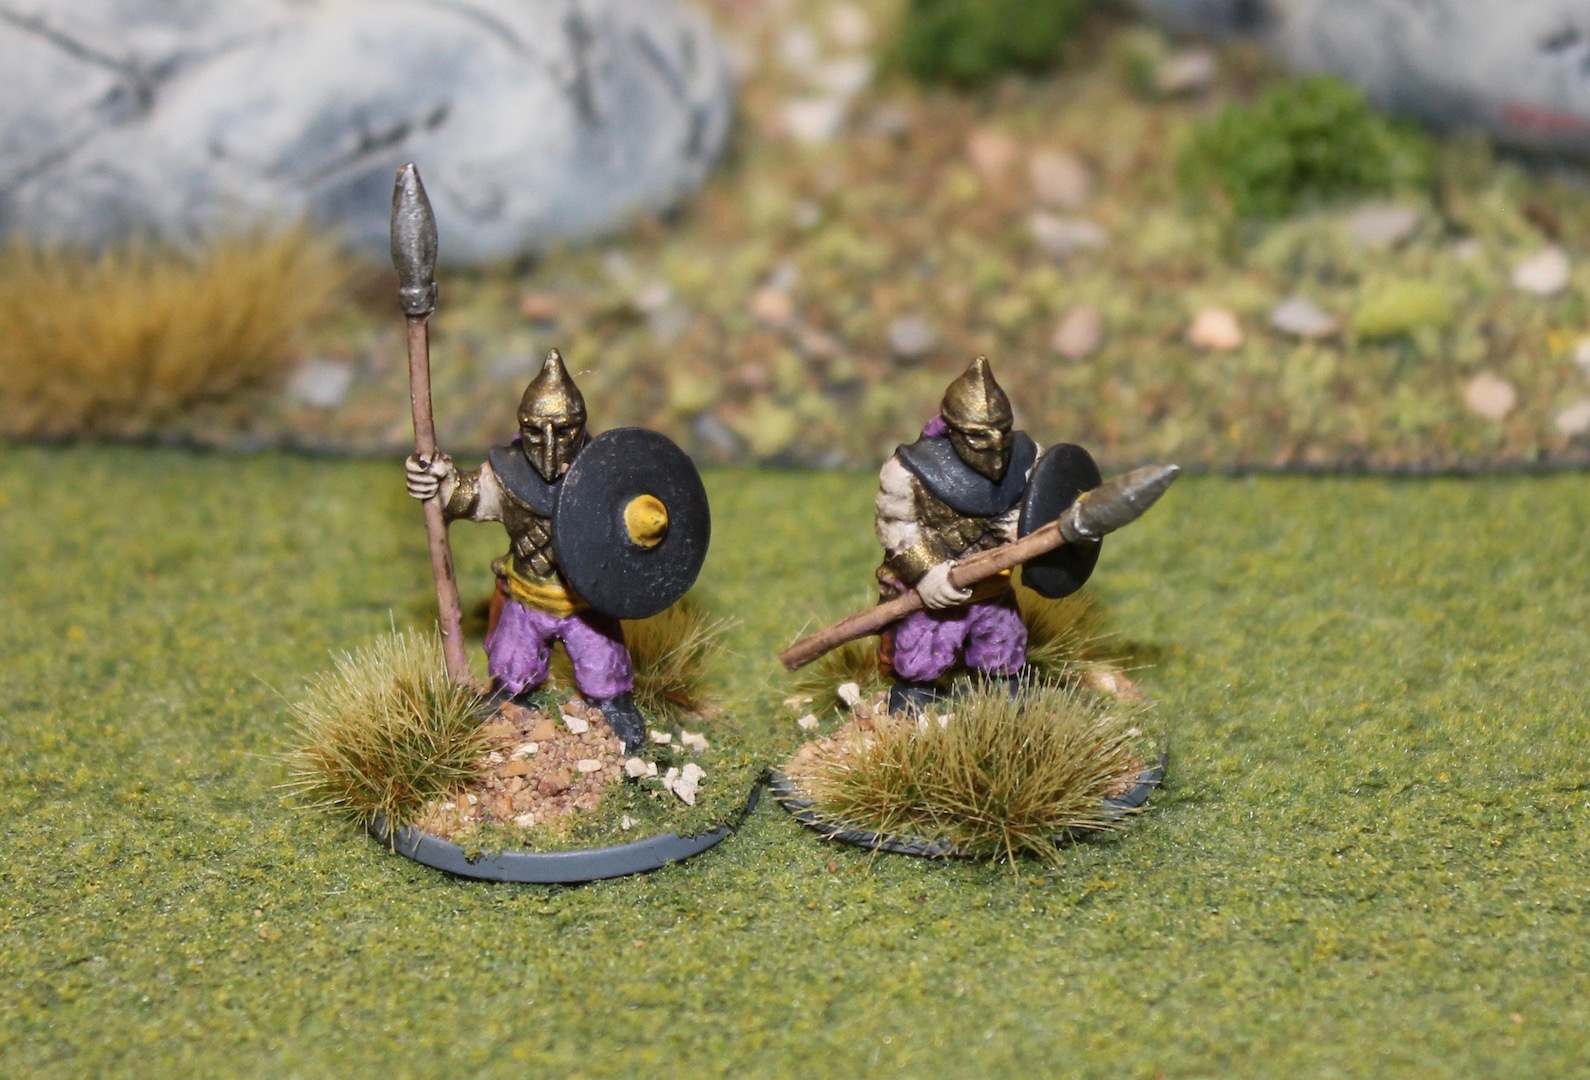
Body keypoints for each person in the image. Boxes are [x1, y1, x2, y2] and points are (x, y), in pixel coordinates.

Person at [404, 349, 647, 750]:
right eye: (536, 432)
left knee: (603, 665)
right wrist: (437, 480)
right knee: (511, 662)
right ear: (523, 428)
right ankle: (506, 697)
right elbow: (465, 496)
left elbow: (634, 525)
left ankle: (614, 704)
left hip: (585, 605)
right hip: (527, 597)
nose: (549, 446)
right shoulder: (504, 477)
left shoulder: (603, 478)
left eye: (563, 432)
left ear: (579, 429)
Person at [873, 356, 1040, 715]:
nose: (995, 443)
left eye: (1002, 431)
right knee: (925, 643)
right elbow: (896, 527)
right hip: (932, 588)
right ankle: (915, 695)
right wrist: (927, 574)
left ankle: (1004, 687)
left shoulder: (1027, 459)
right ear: (955, 431)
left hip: (992, 583)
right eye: (980, 434)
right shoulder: (907, 472)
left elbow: (1033, 506)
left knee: (1001, 636)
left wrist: (1017, 530)